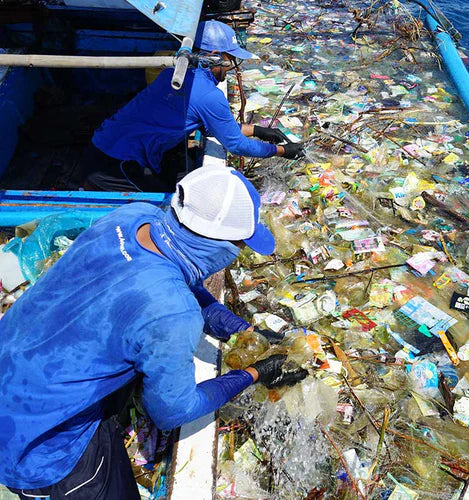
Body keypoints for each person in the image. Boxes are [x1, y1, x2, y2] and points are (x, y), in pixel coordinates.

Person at [0, 166, 306, 498]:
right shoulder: (173, 313)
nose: (237, 254)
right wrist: (252, 374)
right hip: (38, 443)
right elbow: (173, 411)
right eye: (239, 244)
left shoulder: (135, 217)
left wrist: (241, 329)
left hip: (17, 356)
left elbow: (166, 280)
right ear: (218, 243)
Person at [83, 20, 304, 192]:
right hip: (116, 164)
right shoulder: (208, 95)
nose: (229, 68)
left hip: (102, 144)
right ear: (215, 57)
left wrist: (257, 130)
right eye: (229, 60)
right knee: (163, 212)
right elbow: (236, 145)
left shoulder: (170, 74)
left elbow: (211, 126)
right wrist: (281, 151)